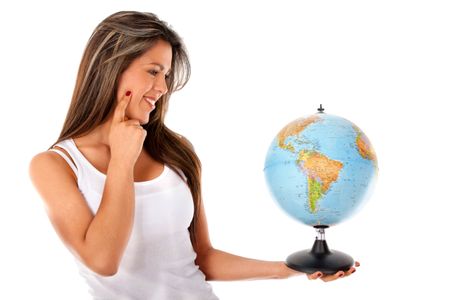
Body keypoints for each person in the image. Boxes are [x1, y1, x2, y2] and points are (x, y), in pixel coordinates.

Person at [28, 11, 359, 299]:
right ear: (111, 66)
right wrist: (121, 160)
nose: (162, 88)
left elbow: (202, 258)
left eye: (167, 75)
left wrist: (294, 268)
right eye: (153, 71)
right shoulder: (55, 166)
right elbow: (103, 261)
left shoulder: (176, 152)